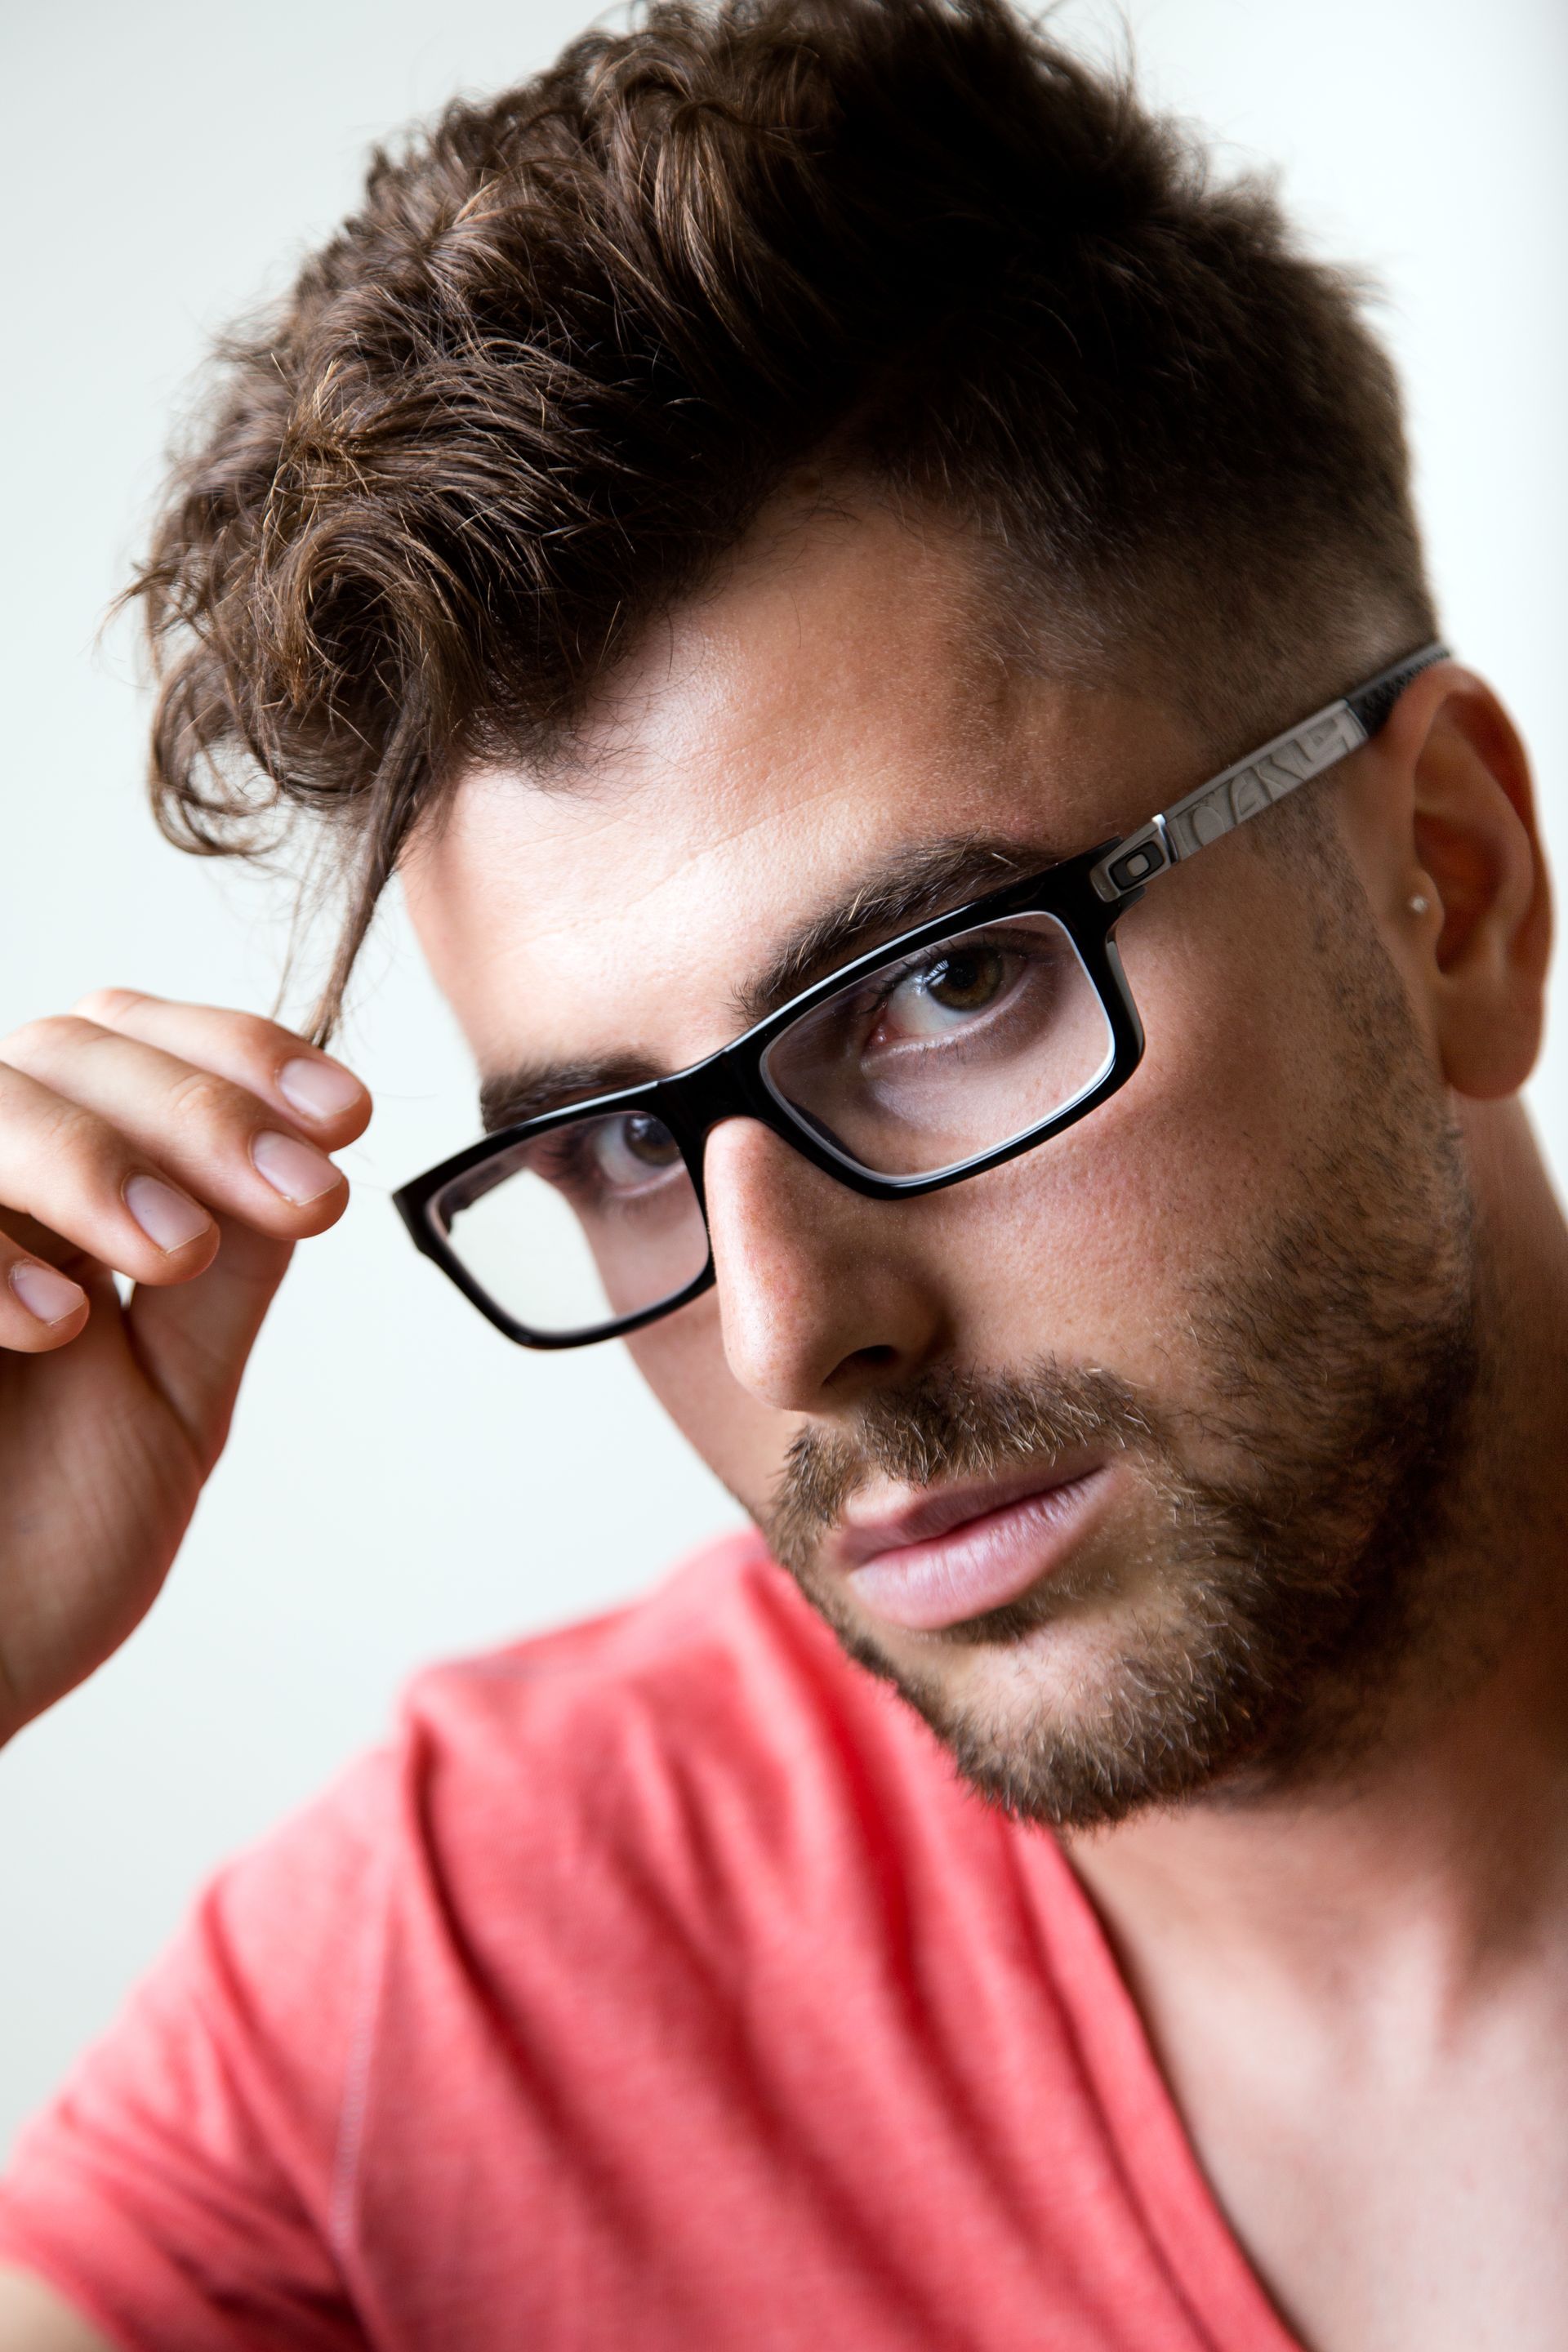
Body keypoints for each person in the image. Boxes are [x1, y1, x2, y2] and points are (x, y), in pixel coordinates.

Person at [0, 0, 1563, 2342]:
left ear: (1449, 880)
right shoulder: (458, 1976)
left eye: (942, 990)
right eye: (620, 1140)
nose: (786, 1332)